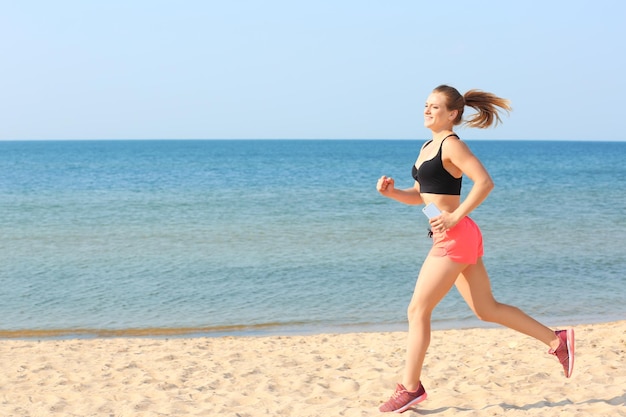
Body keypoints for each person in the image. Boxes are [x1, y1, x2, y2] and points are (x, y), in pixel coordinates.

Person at [375, 85, 574, 413]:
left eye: (434, 107)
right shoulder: (428, 146)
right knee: (486, 309)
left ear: (452, 114)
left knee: (417, 311)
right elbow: (421, 195)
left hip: (454, 237)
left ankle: (410, 388)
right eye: (425, 105)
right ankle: (557, 342)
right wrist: (393, 192)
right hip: (456, 235)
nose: (426, 111)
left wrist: (454, 217)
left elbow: (484, 182)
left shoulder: (453, 145)